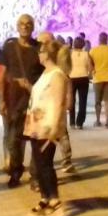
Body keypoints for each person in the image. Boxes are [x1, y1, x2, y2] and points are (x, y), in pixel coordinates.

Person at [25, 39, 70, 216]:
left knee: (45, 164)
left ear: (47, 55)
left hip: (48, 125)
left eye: (41, 52)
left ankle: (55, 201)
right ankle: (45, 198)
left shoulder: (57, 75)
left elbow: (59, 103)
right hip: (36, 124)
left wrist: (55, 128)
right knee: (38, 162)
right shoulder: (46, 73)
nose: (38, 55)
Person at [0, 15, 42, 188]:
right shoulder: (9, 48)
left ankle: (35, 176)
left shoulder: (39, 48)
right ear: (17, 27)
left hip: (35, 99)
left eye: (29, 24)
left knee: (36, 139)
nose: (25, 27)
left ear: (33, 27)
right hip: (14, 100)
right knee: (13, 140)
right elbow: (1, 75)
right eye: (22, 24)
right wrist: (1, 100)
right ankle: (16, 171)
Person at [38, 31, 76, 175]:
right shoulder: (44, 60)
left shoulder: (58, 61)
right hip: (44, 105)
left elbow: (66, 78)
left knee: (61, 132)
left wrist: (69, 97)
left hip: (55, 103)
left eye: (43, 42)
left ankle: (66, 160)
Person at [90, 32, 108, 128]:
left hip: (98, 77)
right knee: (107, 101)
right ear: (107, 39)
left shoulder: (93, 51)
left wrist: (92, 72)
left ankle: (97, 120)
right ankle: (107, 121)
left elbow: (90, 64)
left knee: (97, 101)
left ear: (99, 39)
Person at [68, 37, 92, 129]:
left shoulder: (70, 53)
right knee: (83, 101)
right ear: (83, 44)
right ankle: (80, 122)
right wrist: (89, 74)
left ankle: (72, 122)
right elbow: (90, 67)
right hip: (83, 78)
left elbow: (67, 66)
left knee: (72, 100)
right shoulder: (86, 54)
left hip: (72, 78)